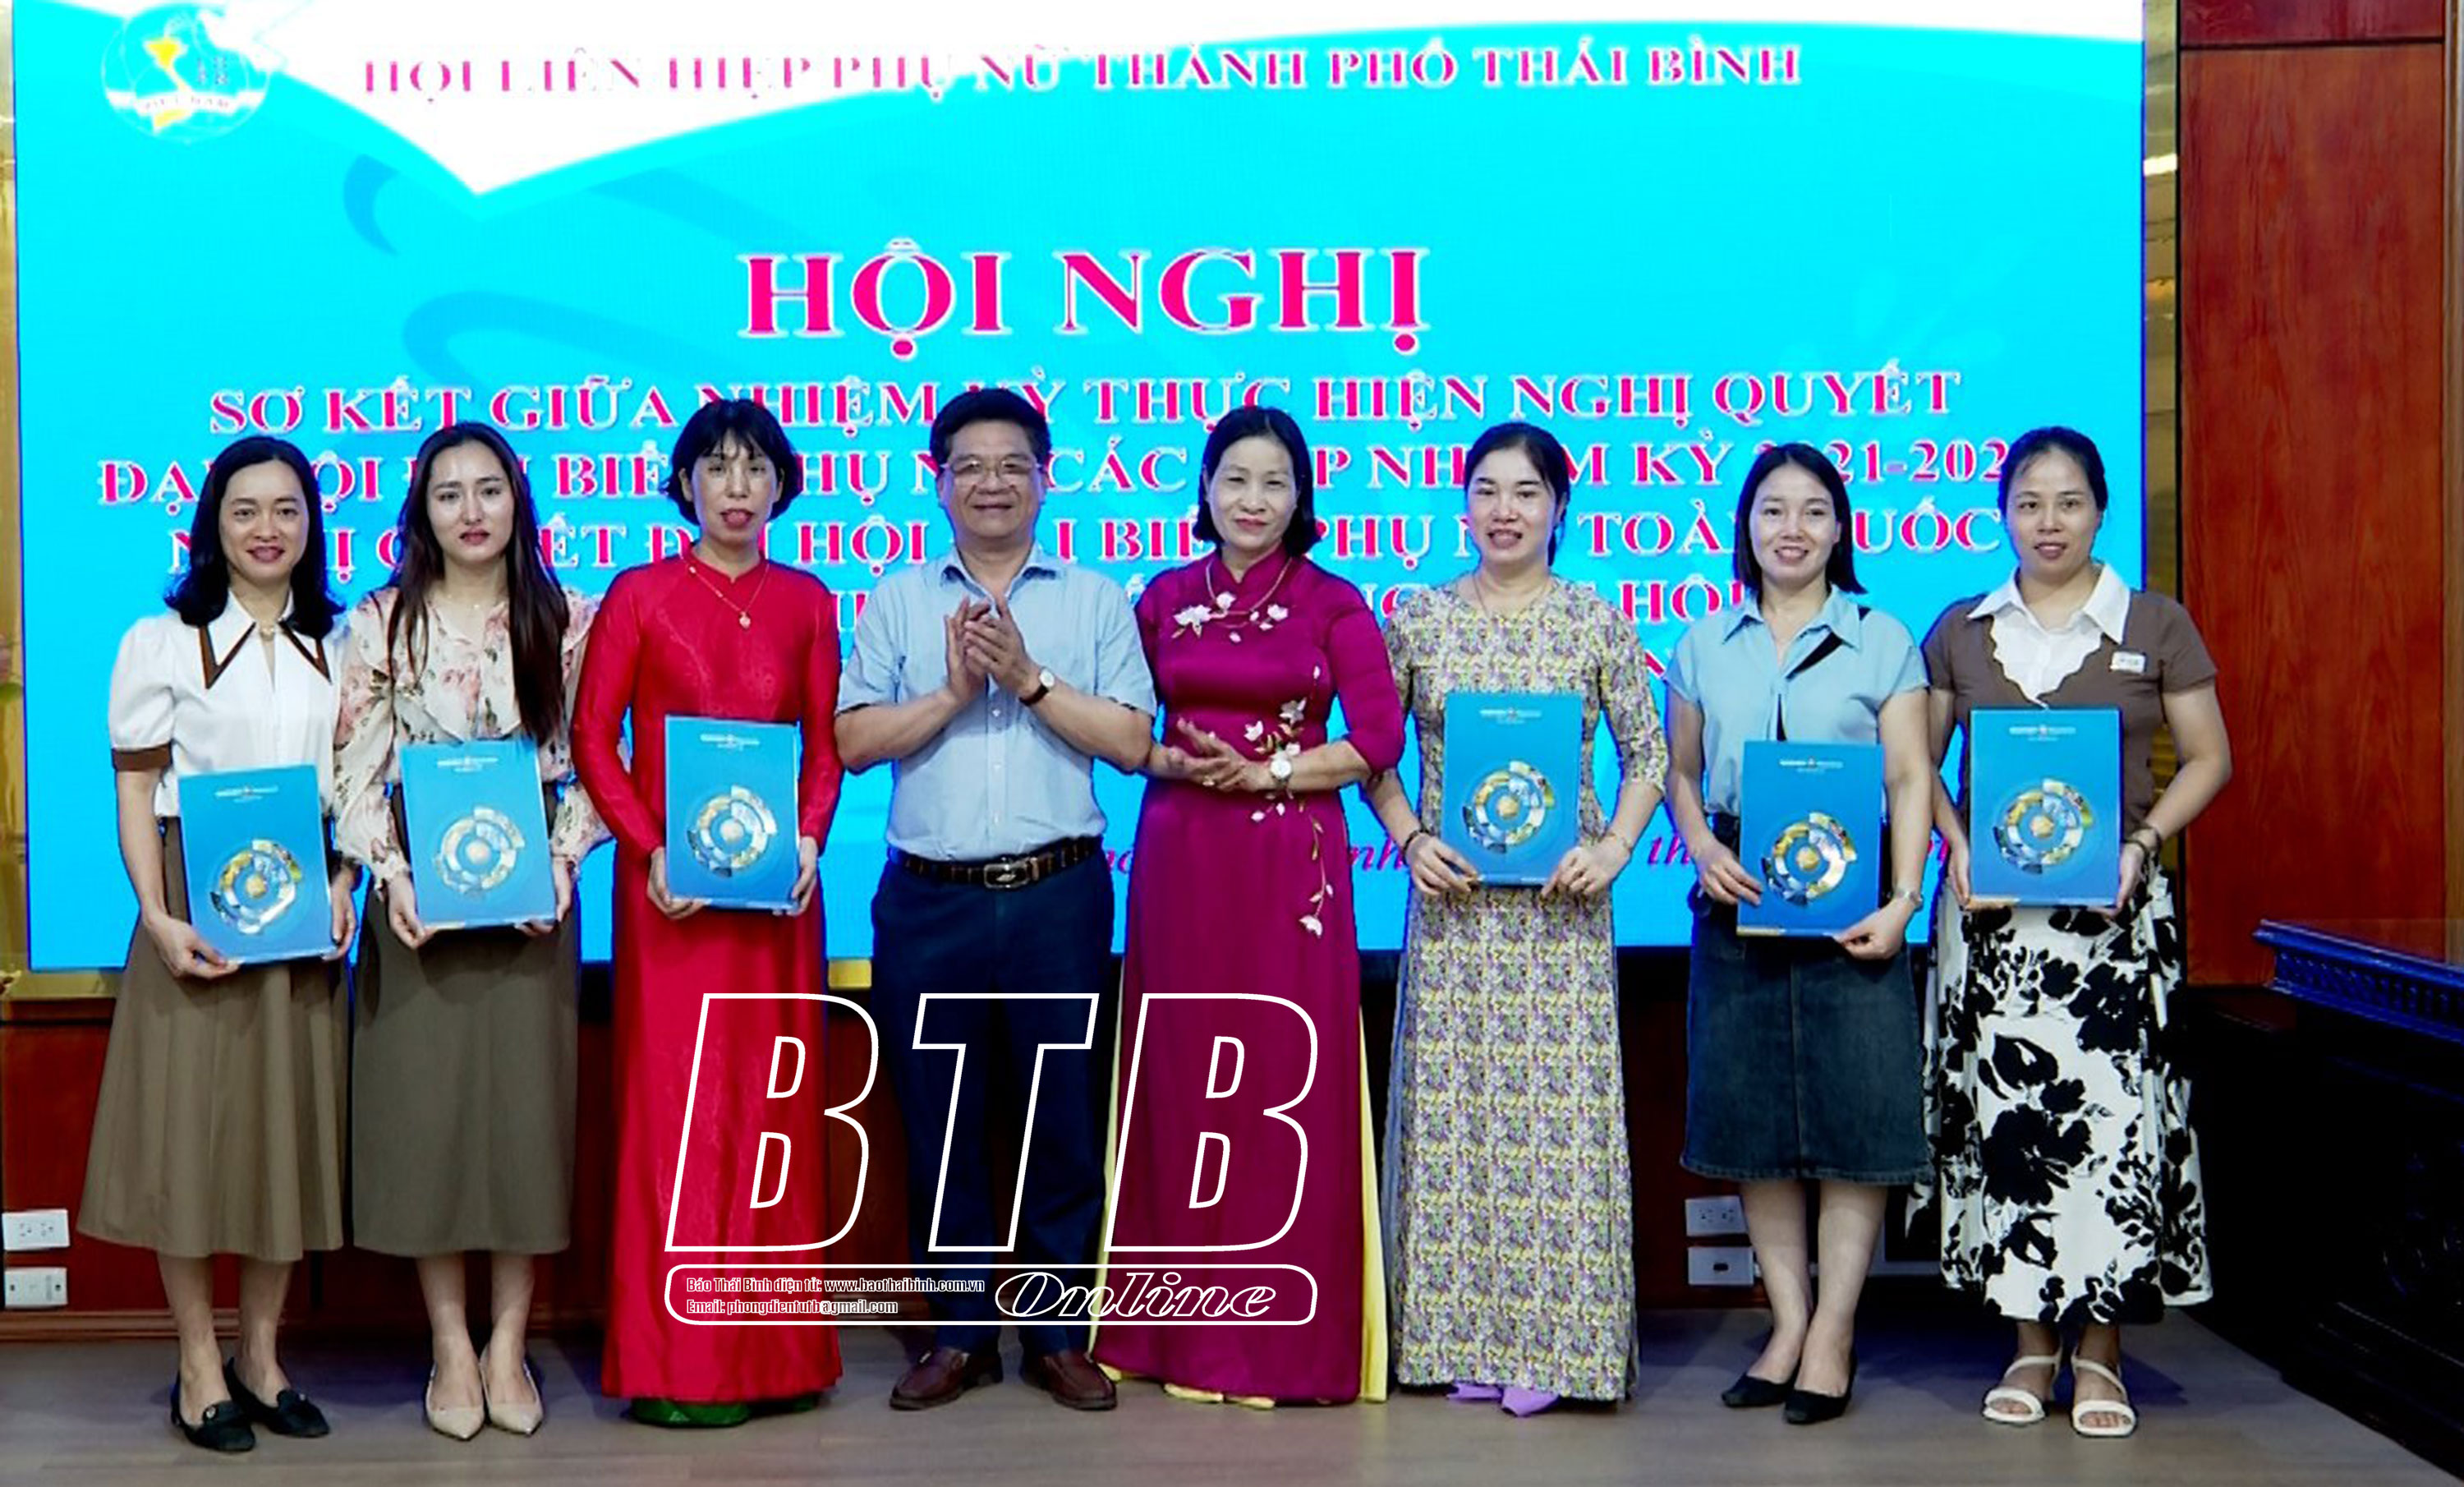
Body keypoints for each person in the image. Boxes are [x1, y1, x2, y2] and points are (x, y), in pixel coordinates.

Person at [836, 387, 1154, 1412]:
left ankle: (1058, 1335)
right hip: (930, 902)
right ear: (938, 483)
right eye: (969, 466)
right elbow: (851, 741)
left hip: (1058, 892)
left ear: (1046, 478)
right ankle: (961, 1332)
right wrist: (948, 696)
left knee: (1061, 1118)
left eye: (1013, 464)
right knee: (941, 1120)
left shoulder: (1096, 600)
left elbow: (1133, 742)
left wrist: (1026, 677)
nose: (992, 483)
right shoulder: (894, 599)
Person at [1922, 425, 2232, 1439]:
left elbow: (2208, 757)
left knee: (2112, 1141)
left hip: (2113, 927)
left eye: (2068, 502)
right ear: (2002, 514)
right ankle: (2028, 1344)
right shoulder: (1963, 630)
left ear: (2100, 509)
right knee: (2011, 1132)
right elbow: (1918, 765)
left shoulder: (2156, 622)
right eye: (2028, 503)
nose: (2047, 522)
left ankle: (2101, 1353)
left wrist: (2140, 843)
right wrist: (1958, 845)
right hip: (1999, 933)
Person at [1093, 404, 1405, 1406]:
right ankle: (1173, 1332)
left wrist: (1269, 770)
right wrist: (1166, 757)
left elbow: (1380, 740)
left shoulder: (1335, 603)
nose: (1254, 500)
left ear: (1301, 495)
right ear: (1205, 487)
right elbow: (1126, 725)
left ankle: (1285, 1342)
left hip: (1289, 867)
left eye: (1275, 482)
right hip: (1181, 857)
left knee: (1283, 1078)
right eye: (1235, 479)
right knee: (1181, 1075)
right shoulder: (1160, 598)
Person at [1365, 421, 1668, 1417]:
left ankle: (1560, 1347)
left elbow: (1649, 754)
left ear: (1559, 508)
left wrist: (1614, 848)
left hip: (1559, 918)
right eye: (1488, 490)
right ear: (1464, 504)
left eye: (1527, 492)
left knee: (1558, 1134)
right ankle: (1459, 1337)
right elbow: (1372, 754)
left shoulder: (1594, 620)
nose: (1505, 510)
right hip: (1453, 916)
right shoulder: (1417, 618)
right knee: (1456, 1128)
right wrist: (1410, 836)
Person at [79, 435, 356, 1452]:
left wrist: (346, 884)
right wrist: (156, 916)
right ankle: (197, 1361)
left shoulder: (343, 646)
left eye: (288, 509)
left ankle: (261, 1357)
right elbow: (135, 792)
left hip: (303, 915)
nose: (267, 529)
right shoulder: (162, 643)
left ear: (312, 524)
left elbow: (358, 792)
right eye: (245, 510)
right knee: (191, 1146)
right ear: (212, 525)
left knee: (283, 1144)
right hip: (196, 907)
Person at [571, 398, 844, 1427]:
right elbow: (594, 738)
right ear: (684, 483)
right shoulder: (639, 594)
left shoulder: (809, 601)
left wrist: (810, 837)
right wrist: (649, 849)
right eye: (717, 466)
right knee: (676, 1117)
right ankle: (677, 1363)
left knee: (773, 1112)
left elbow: (823, 746)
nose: (737, 486)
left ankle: (776, 1356)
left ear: (782, 485)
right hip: (669, 901)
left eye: (756, 467)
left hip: (777, 902)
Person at [331, 422, 603, 1439]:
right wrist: (393, 874)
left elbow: (597, 762)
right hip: (418, 910)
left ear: (518, 501)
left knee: (523, 1125)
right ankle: (450, 1341)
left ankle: (508, 1343)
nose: (472, 511)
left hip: (534, 907)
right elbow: (352, 772)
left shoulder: (569, 620)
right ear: (423, 512)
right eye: (449, 493)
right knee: (429, 1125)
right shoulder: (381, 624)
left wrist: (563, 861)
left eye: (490, 489)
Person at [1662, 443, 1935, 1425]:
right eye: (1772, 509)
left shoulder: (1882, 638)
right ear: (1744, 525)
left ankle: (1834, 1333)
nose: (1792, 528)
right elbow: (1681, 772)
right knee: (1754, 1120)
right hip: (1738, 885)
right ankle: (1787, 1324)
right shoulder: (1702, 642)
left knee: (1858, 1112)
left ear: (1840, 526)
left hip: (1852, 887)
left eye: (1813, 510)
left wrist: (1903, 900)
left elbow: (1908, 776)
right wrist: (1701, 846)